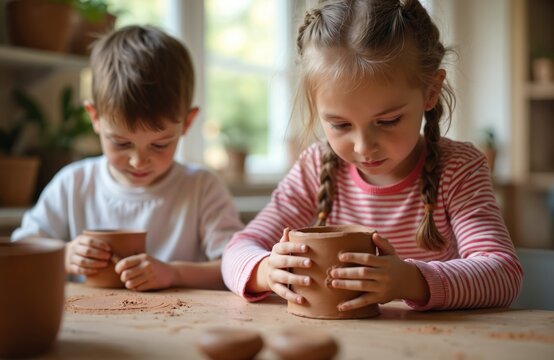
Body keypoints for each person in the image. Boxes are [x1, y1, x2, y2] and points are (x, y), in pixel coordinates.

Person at [222, 0, 522, 311]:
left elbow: (503, 273)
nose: (364, 147)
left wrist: (409, 280)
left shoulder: (458, 169)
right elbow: (237, 250)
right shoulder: (315, 167)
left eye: (388, 121)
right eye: (340, 124)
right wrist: (266, 270)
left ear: (431, 92)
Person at [12, 25, 244, 291]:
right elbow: (23, 251)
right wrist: (64, 256)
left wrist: (174, 274)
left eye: (159, 145)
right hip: (92, 327)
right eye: (121, 143)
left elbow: (235, 266)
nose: (138, 161)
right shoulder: (72, 184)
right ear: (95, 118)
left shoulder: (202, 189)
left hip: (178, 328)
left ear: (187, 123)